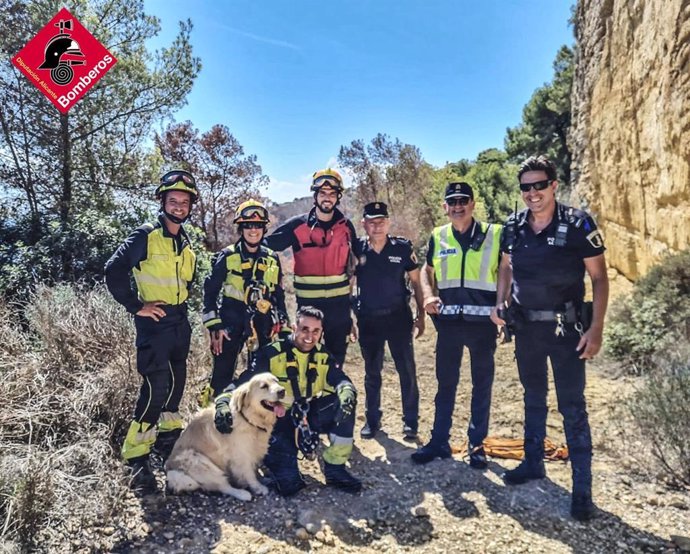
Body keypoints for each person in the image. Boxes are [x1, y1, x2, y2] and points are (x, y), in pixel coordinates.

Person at [490, 155, 608, 521]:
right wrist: (500, 301)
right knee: (533, 397)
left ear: (554, 185)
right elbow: (506, 267)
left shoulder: (578, 223)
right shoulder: (513, 226)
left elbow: (600, 279)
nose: (532, 193)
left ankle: (582, 489)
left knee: (572, 407)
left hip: (566, 331)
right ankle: (532, 463)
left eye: (539, 185)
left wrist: (597, 329)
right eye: (526, 187)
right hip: (527, 329)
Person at [104, 169, 199, 493]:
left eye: (184, 202)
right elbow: (113, 270)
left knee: (176, 386)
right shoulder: (145, 235)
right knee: (156, 388)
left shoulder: (185, 242)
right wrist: (135, 305)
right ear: (163, 202)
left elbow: (186, 283)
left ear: (189, 206)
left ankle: (167, 442)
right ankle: (136, 456)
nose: (178, 206)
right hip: (154, 324)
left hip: (179, 323)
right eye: (173, 201)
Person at [214, 306, 362, 496]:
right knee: (290, 486)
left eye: (316, 331)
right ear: (294, 328)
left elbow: (339, 379)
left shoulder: (322, 355)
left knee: (344, 401)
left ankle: (335, 469)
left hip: (306, 416)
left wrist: (347, 392)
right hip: (276, 423)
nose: (309, 336)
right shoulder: (271, 354)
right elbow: (243, 384)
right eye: (304, 329)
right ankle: (271, 462)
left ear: (321, 333)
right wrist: (222, 403)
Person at [411, 182, 501, 470]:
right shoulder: (439, 235)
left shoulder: (494, 234)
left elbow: (509, 271)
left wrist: (503, 307)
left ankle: (476, 445)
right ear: (445, 207)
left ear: (473, 203)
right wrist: (427, 295)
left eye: (463, 200)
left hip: (482, 324)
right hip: (448, 324)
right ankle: (439, 441)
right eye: (452, 202)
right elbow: (426, 270)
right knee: (445, 384)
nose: (458, 206)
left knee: (481, 385)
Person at [198, 200, 288, 407]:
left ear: (264, 228)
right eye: (248, 225)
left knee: (261, 375)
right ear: (241, 228)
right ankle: (211, 414)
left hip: (262, 321)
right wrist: (214, 326)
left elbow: (279, 295)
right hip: (231, 319)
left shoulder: (272, 258)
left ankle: (250, 419)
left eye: (257, 225)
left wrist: (283, 325)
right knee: (223, 372)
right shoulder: (227, 256)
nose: (253, 230)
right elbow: (209, 293)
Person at [265, 168, 357, 367]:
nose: (327, 198)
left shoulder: (346, 227)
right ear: (315, 196)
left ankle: (332, 397)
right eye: (323, 193)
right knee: (304, 360)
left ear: (338, 197)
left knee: (335, 362)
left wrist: (354, 311)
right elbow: (265, 246)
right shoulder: (297, 226)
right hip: (308, 306)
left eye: (332, 194)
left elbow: (358, 264)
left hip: (339, 308)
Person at [353, 201, 424, 440]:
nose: (377, 226)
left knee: (407, 370)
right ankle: (372, 421)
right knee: (372, 372)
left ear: (388, 222)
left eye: (381, 221)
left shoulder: (402, 248)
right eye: (371, 222)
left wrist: (421, 315)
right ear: (364, 224)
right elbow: (349, 284)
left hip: (398, 318)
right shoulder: (357, 249)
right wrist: (349, 317)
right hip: (369, 320)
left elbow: (416, 281)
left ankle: (410, 422)